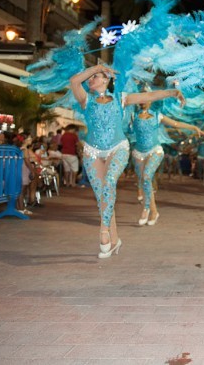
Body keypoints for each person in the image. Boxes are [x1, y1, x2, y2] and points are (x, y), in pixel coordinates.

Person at [70, 63, 184, 259]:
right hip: (92, 152)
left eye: (95, 76)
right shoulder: (85, 100)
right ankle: (114, 241)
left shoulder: (120, 98)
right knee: (102, 199)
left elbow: (148, 97)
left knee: (109, 184)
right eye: (89, 77)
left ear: (106, 79)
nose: (90, 79)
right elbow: (74, 81)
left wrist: (173, 92)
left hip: (118, 148)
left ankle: (104, 233)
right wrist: (95, 67)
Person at [131, 101, 202, 226]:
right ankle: (154, 212)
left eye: (146, 97)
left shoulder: (158, 115)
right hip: (138, 152)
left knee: (147, 176)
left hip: (154, 150)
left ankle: (146, 209)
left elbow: (175, 123)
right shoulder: (133, 115)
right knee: (144, 181)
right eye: (141, 97)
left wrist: (193, 127)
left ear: (151, 99)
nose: (143, 100)